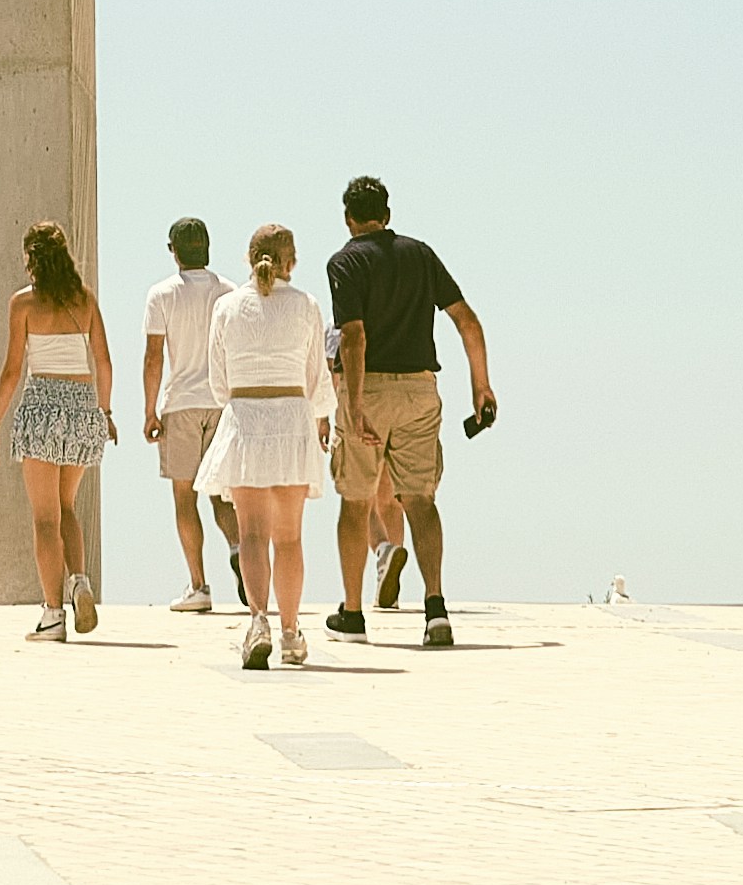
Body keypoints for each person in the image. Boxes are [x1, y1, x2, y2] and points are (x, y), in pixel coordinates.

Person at [319, 174, 499, 646]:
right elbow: (467, 320)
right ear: (388, 214)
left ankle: (353, 614)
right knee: (420, 501)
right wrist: (481, 386)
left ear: (348, 218)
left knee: (356, 502)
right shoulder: (420, 254)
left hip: (370, 388)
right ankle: (435, 608)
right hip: (420, 389)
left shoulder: (345, 262)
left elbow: (354, 337)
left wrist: (353, 404)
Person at [206, 222, 335, 670]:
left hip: (246, 420)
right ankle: (291, 632)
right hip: (291, 422)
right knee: (290, 538)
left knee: (251, 535)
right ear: (291, 262)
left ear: (249, 258)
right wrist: (321, 414)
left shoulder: (226, 307)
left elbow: (218, 383)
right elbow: (317, 377)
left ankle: (257, 620)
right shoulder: (305, 305)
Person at [0, 223, 115, 637]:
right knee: (67, 506)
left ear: (31, 258)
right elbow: (104, 362)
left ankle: (53, 615)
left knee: (45, 518)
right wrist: (105, 411)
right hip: (82, 405)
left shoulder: (23, 303)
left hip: (42, 403)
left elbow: (12, 370)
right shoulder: (85, 299)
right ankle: (79, 581)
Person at [138, 212, 237, 636]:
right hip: (221, 402)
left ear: (173, 251)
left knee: (185, 498)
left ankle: (198, 585)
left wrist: (150, 410)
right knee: (223, 495)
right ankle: (238, 548)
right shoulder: (229, 292)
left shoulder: (162, 294)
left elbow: (153, 357)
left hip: (181, 403)